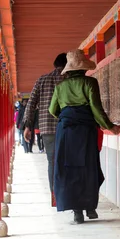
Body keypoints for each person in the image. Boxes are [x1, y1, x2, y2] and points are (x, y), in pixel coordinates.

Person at [49, 50, 120, 224]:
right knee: (88, 167)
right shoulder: (90, 82)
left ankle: (77, 212)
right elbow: (96, 108)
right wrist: (110, 126)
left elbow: (53, 110)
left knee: (69, 169)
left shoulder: (60, 87)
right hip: (86, 130)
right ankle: (90, 207)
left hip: (66, 131)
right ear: (83, 68)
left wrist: (68, 116)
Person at [22, 53, 67, 193]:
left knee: (52, 161)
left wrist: (27, 126)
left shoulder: (42, 80)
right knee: (69, 161)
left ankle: (54, 193)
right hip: (68, 126)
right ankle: (67, 193)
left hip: (47, 127)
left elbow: (31, 104)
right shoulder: (69, 79)